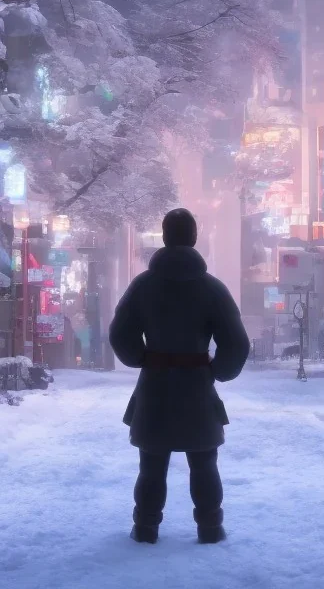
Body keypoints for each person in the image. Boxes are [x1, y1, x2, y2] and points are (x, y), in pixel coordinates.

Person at [109, 208, 250, 545]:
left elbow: (120, 332)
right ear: (194, 237)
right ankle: (210, 527)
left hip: (155, 383)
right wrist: (217, 372)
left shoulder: (143, 285)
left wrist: (140, 358)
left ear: (164, 236)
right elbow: (236, 342)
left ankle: (145, 527)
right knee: (204, 462)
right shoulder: (212, 288)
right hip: (197, 385)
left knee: (151, 464)